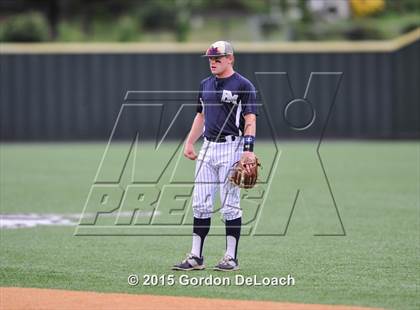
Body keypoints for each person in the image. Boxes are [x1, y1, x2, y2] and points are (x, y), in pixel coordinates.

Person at [172, 41, 257, 271]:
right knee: (200, 204)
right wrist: (190, 142)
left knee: (230, 205)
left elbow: (250, 119)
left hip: (232, 146)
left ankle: (231, 257)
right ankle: (195, 257)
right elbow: (200, 116)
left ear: (230, 59)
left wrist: (248, 150)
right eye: (210, 59)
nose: (213, 62)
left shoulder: (243, 85)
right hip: (208, 147)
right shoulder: (205, 84)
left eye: (218, 58)